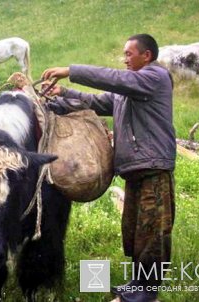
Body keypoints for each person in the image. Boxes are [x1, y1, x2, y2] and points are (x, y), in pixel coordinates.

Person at [42, 34, 176, 302]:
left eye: (129, 54)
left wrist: (70, 72)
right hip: (136, 171)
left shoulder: (154, 78)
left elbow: (114, 79)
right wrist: (64, 94)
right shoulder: (127, 92)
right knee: (136, 230)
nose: (125, 59)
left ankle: (147, 293)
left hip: (154, 170)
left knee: (152, 232)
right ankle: (138, 283)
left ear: (146, 56)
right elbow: (98, 102)